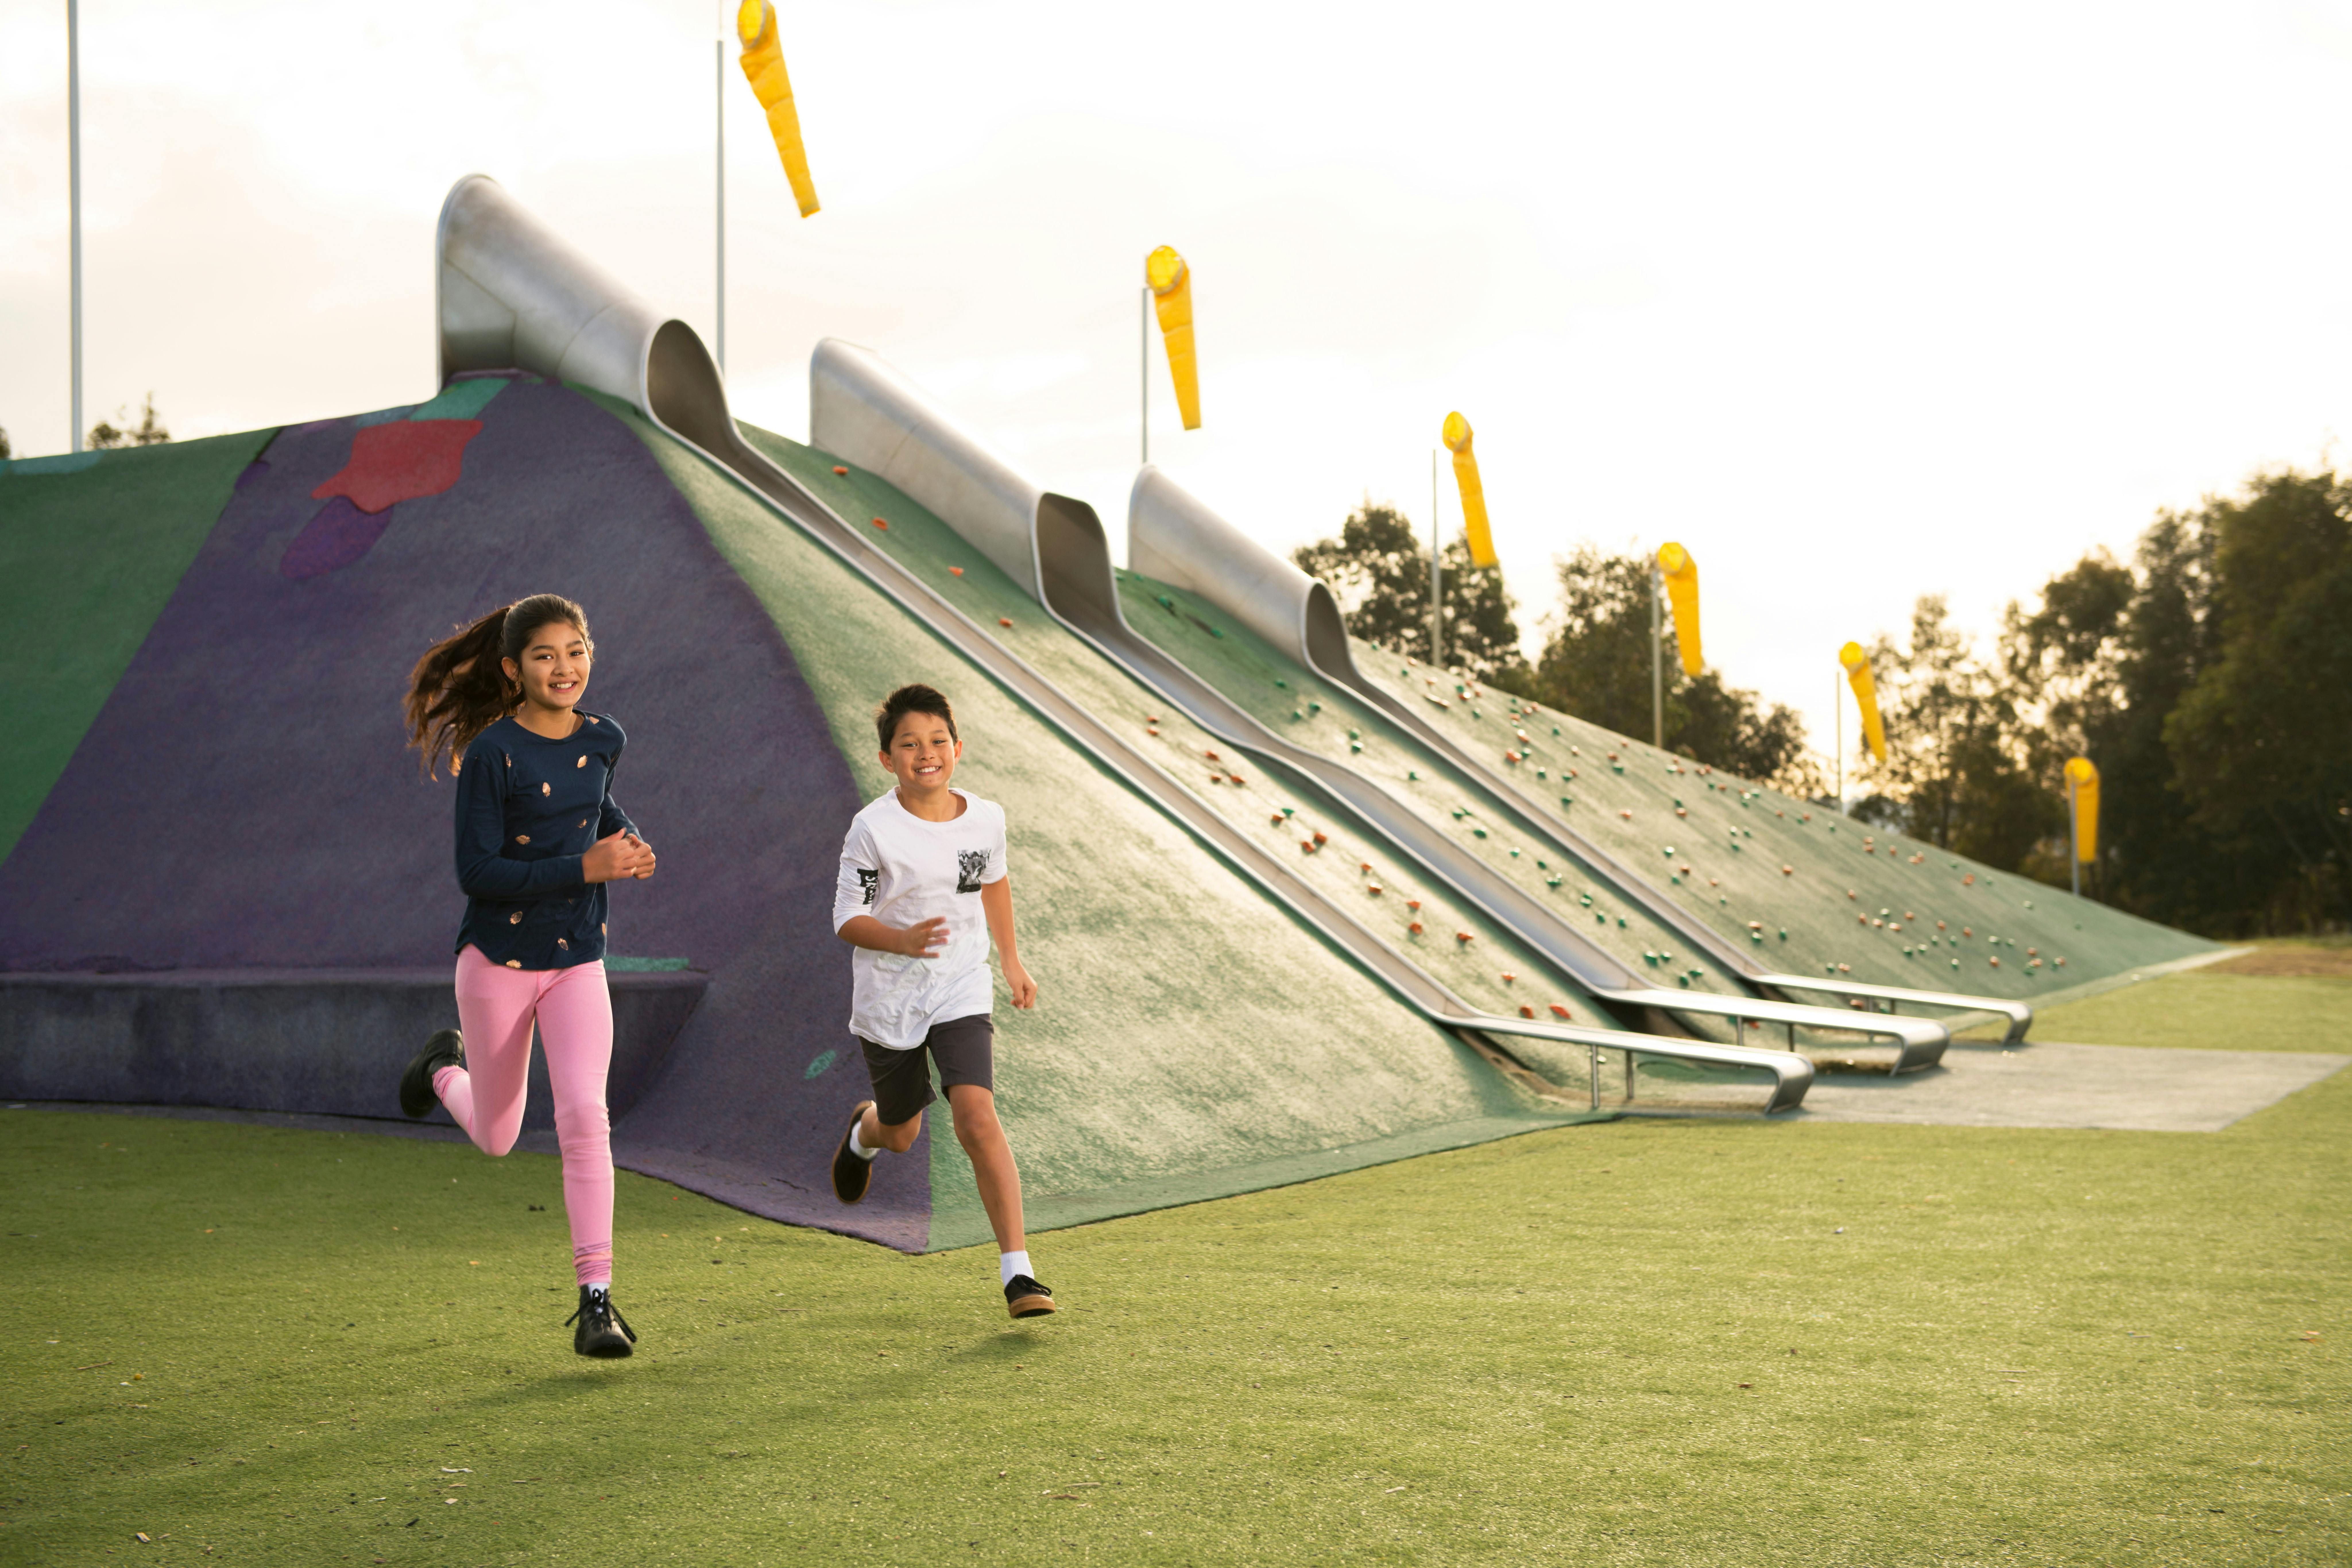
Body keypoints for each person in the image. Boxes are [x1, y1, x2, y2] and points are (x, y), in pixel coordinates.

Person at [393, 594, 656, 1358]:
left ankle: (597, 1299)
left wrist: (628, 839)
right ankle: (443, 1067)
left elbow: (596, 804)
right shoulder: (491, 755)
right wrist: (587, 863)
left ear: (590, 654)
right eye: (544, 655)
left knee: (585, 1116)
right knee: (501, 1136)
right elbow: (478, 871)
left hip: (577, 958)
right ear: (513, 670)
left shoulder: (605, 737)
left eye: (575, 650)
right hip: (497, 965)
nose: (563, 666)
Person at [829, 684, 1051, 1318]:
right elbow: (847, 917)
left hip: (960, 984)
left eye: (936, 742)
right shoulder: (872, 829)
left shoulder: (985, 817)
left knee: (975, 1116)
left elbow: (993, 881)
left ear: (957, 749)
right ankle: (863, 1133)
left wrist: (1010, 961)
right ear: (886, 759)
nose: (925, 754)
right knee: (902, 1134)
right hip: (889, 999)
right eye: (909, 744)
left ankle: (1020, 1274)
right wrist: (899, 940)